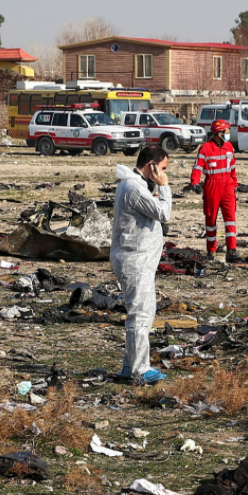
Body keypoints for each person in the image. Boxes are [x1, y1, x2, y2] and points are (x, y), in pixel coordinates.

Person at [112, 145, 173, 385]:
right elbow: (163, 213)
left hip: (140, 260)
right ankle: (139, 370)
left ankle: (130, 366)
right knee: (140, 315)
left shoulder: (136, 186)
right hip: (134, 260)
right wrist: (165, 186)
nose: (164, 173)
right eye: (163, 168)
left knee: (143, 313)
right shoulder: (133, 187)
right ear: (152, 166)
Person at [189, 119, 242, 262]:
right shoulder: (205, 148)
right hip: (212, 186)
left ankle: (231, 250)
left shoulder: (229, 147)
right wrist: (194, 182)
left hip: (228, 187)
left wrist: (235, 183)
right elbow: (198, 166)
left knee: (230, 219)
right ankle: (211, 252)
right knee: (211, 220)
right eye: (227, 131)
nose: (229, 134)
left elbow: (232, 168)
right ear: (219, 133)